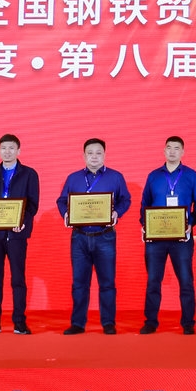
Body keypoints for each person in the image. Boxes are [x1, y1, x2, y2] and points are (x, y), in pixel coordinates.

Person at [56, 138, 132, 334]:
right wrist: (66, 214)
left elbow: (126, 199)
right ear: (84, 156)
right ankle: (78, 323)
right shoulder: (73, 178)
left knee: (107, 282)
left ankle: (108, 323)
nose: (94, 157)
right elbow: (62, 200)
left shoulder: (116, 177)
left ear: (104, 155)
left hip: (105, 236)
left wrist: (117, 213)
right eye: (90, 153)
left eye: (98, 153)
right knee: (79, 283)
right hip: (79, 237)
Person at [0, 134, 39, 336]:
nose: (7, 151)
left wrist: (22, 222)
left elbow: (33, 205)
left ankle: (19, 322)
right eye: (3, 148)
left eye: (11, 148)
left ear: (19, 150)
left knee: (18, 279)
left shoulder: (29, 174)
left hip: (17, 235)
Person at [139, 136, 196, 335]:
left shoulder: (191, 175)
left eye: (177, 148)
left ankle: (188, 322)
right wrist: (145, 225)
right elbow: (145, 204)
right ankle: (150, 322)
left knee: (185, 281)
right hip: (156, 239)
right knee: (153, 281)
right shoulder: (153, 176)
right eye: (169, 148)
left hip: (181, 238)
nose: (172, 151)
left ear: (183, 152)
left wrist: (190, 224)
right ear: (164, 151)